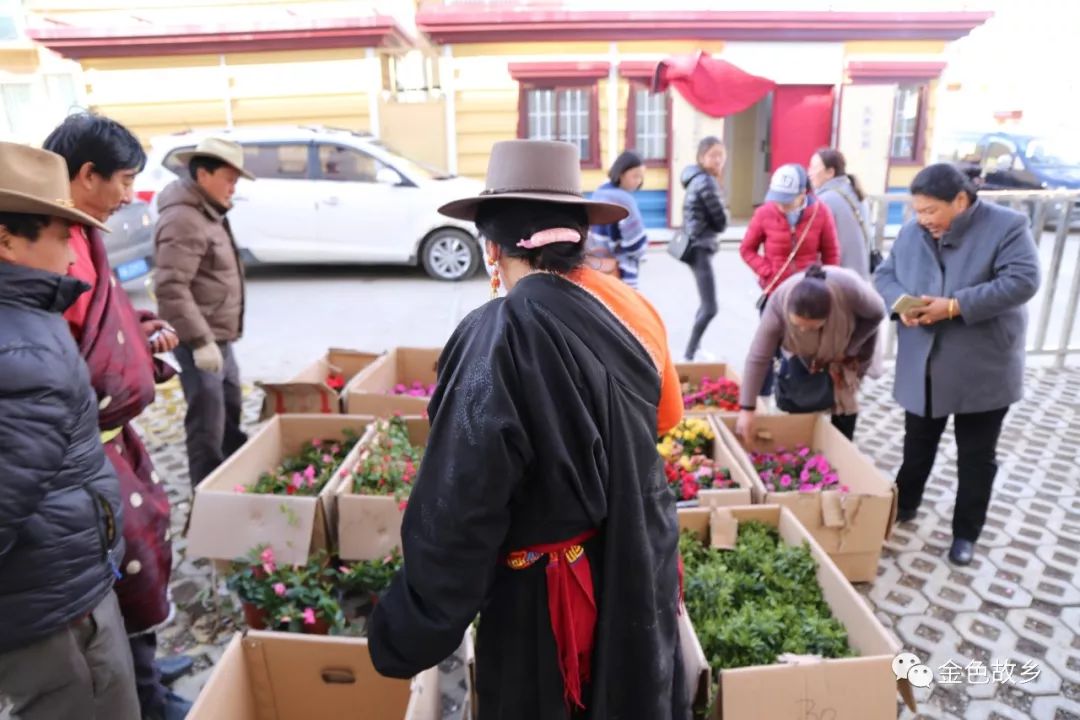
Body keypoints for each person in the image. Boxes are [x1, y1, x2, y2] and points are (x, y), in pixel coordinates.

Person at [367, 140, 688, 719]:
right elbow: (664, 422)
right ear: (578, 238)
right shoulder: (629, 306)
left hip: (547, 598)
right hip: (634, 560)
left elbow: (462, 501)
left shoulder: (499, 332)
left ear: (493, 250)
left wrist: (410, 626)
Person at [42, 113, 193, 720]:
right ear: (85, 175)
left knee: (142, 560)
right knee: (118, 569)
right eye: (124, 180)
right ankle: (147, 698)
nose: (130, 197)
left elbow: (104, 324)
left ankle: (150, 668)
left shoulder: (83, 235)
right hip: (80, 454)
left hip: (114, 438)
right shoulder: (47, 249)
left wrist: (137, 335)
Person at [0, 142, 139, 720]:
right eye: (60, 235)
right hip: (52, 606)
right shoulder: (25, 349)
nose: (72, 255)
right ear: (5, 240)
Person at [874, 163, 1040, 566]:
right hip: (924, 366)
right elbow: (885, 274)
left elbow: (1023, 280)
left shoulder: (1007, 226)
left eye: (930, 210)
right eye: (917, 210)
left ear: (961, 201)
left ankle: (966, 532)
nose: (921, 219)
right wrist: (902, 306)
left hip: (982, 367)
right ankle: (905, 505)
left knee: (976, 456)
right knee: (916, 447)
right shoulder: (914, 233)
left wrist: (954, 306)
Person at [154, 137, 253, 486]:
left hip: (219, 339)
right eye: (229, 179)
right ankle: (207, 495)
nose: (233, 188)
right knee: (207, 425)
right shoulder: (184, 219)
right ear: (203, 174)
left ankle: (232, 480)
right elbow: (170, 287)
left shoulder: (208, 211)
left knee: (230, 410)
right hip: (200, 342)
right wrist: (199, 342)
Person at [736, 264, 884, 441]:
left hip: (842, 348)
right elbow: (758, 357)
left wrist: (851, 347)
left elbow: (877, 314)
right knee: (799, 400)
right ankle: (801, 449)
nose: (804, 330)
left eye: (812, 326)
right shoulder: (777, 306)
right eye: (798, 325)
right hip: (799, 352)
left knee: (845, 406)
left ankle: (842, 451)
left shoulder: (851, 291)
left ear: (828, 316)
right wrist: (747, 409)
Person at [740, 163, 841, 397]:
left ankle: (797, 399)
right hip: (774, 292)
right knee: (766, 349)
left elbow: (832, 254)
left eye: (787, 200)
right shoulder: (764, 213)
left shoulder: (821, 212)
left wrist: (824, 284)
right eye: (777, 198)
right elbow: (747, 249)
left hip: (807, 295)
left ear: (803, 194)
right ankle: (760, 398)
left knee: (802, 350)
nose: (781, 205)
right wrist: (767, 271)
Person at [680, 136, 729, 361]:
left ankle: (695, 348)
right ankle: (690, 354)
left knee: (705, 304)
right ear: (701, 157)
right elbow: (721, 221)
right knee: (710, 307)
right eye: (712, 155)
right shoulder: (706, 182)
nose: (718, 159)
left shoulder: (695, 179)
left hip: (695, 246)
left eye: (721, 154)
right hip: (700, 247)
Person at [588, 150, 649, 287]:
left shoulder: (599, 192)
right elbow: (635, 243)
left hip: (597, 264)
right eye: (635, 176)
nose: (639, 181)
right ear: (621, 173)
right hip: (620, 267)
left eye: (641, 177)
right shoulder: (624, 199)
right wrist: (641, 251)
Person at [808, 148, 871, 279]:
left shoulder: (824, 200)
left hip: (839, 278)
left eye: (814, 168)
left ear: (830, 172)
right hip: (860, 275)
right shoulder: (856, 193)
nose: (809, 173)